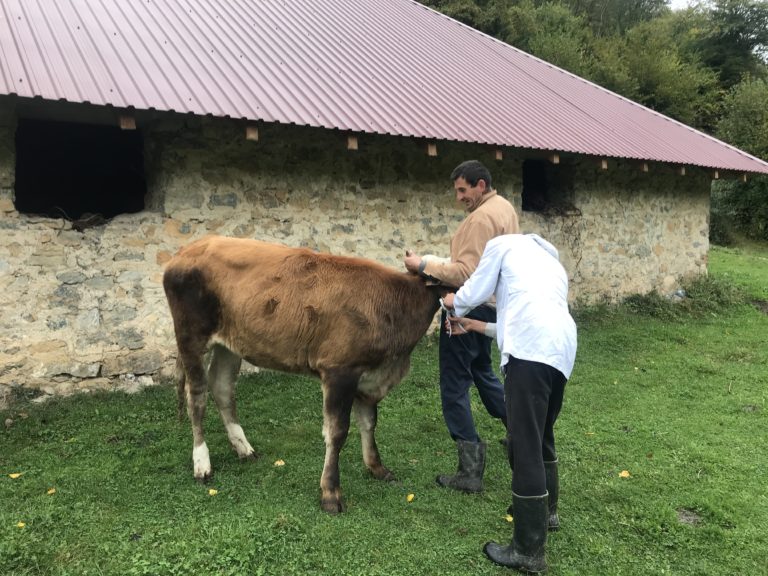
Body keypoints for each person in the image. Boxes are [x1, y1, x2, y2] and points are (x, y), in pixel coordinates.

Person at [442, 233, 577, 574]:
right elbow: (522, 318)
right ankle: (547, 514)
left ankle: (528, 551)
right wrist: (474, 325)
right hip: (559, 349)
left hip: (529, 352)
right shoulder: (549, 263)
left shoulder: (502, 245)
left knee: (525, 442)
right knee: (542, 434)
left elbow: (472, 290)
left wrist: (450, 303)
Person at [404, 160, 519, 493]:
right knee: (482, 372)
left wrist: (422, 263)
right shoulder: (504, 208)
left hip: (467, 309)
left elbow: (466, 273)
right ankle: (518, 430)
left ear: (480, 185)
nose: (459, 197)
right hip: (495, 306)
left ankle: (470, 470)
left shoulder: (481, 218)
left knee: (454, 383)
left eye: (463, 190)